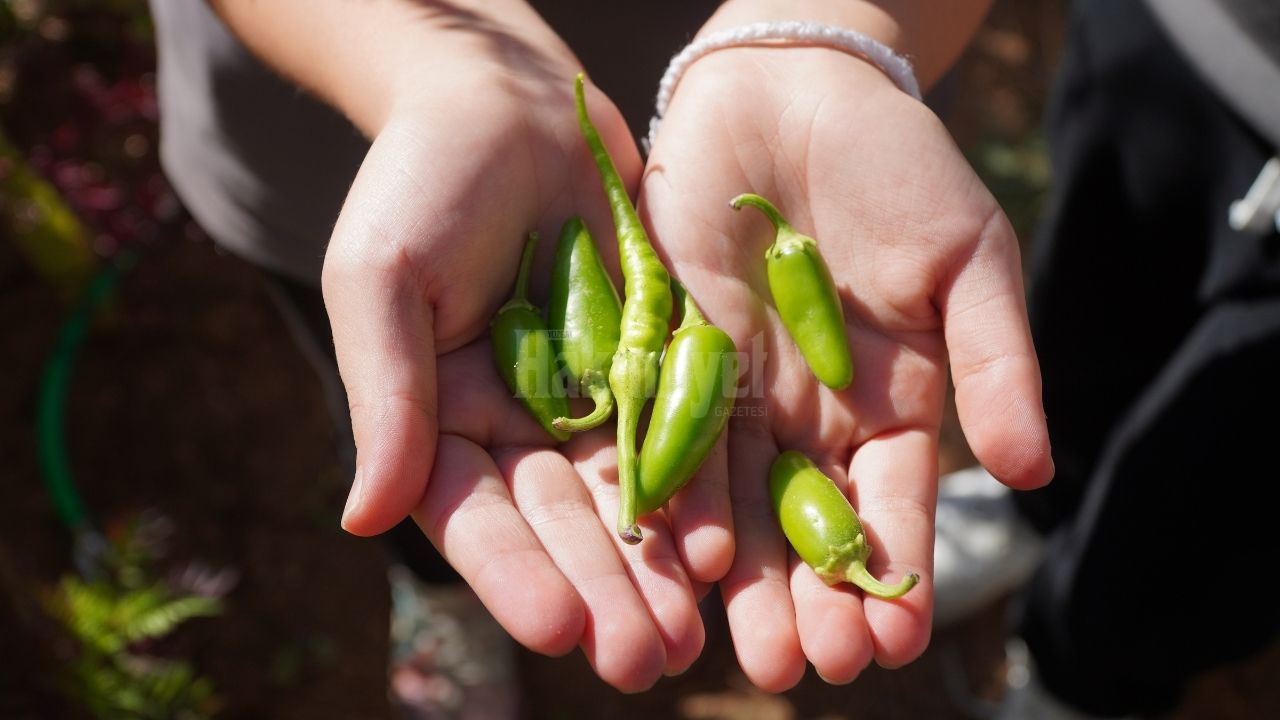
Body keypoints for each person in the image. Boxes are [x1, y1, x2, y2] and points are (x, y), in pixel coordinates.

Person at [148, 0, 1057, 713]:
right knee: (424, 419)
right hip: (339, 119)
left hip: (716, 120)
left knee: (461, 428)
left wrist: (826, 35)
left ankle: (529, 563)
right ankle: (445, 593)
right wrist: (452, 70)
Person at [932, 1, 1280, 718]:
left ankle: (1085, 682)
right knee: (1086, 307)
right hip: (1178, 21)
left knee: (1228, 469)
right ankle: (1036, 505)